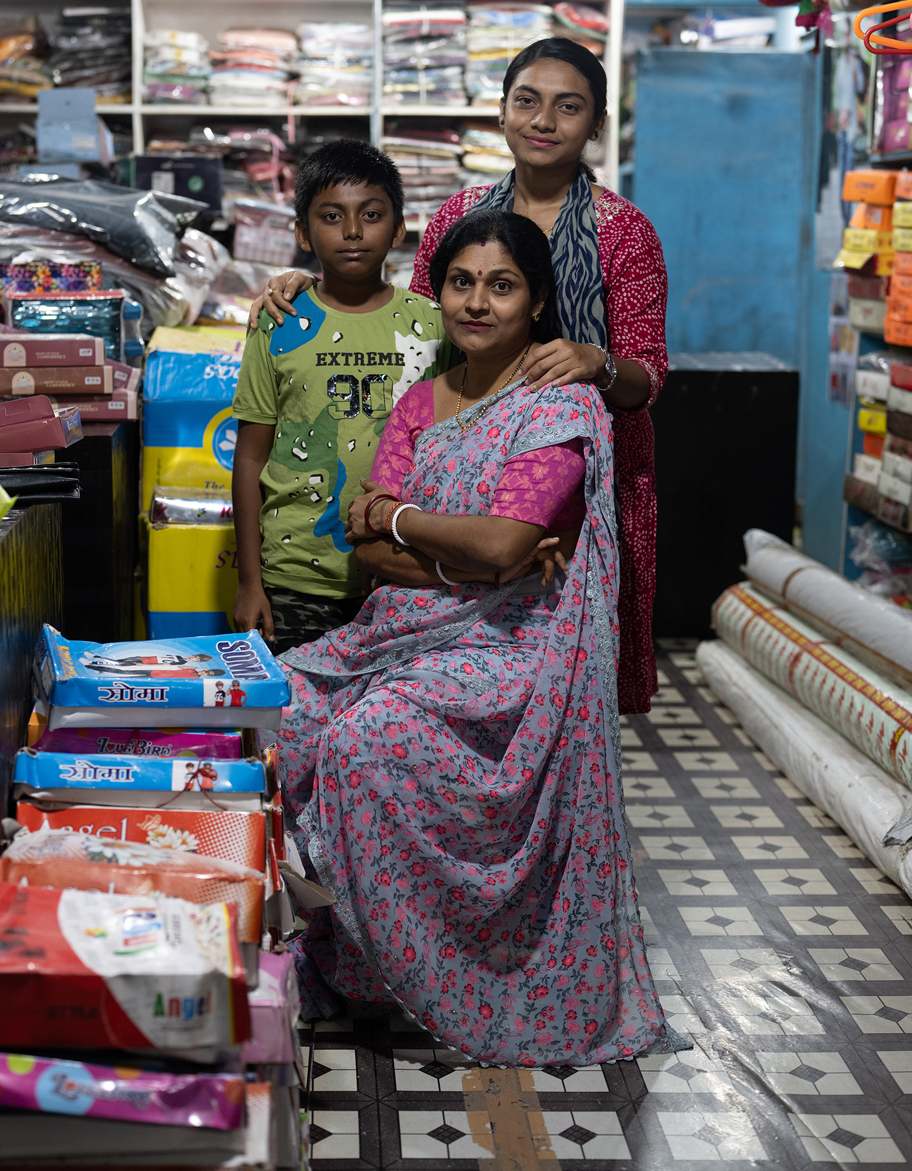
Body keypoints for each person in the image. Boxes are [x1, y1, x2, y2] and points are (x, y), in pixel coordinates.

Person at [275, 210, 675, 1067]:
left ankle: (441, 968)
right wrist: (461, 557)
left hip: (514, 648)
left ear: (536, 305)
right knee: (287, 705)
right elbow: (379, 550)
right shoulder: (421, 403)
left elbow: (494, 540)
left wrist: (411, 521)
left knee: (366, 739)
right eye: (463, 282)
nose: (479, 302)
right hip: (404, 629)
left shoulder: (560, 404)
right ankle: (353, 968)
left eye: (503, 286)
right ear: (440, 291)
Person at [251, 39, 668, 714]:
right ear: (500, 114)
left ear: (596, 124)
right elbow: (417, 323)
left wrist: (596, 362)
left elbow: (650, 377)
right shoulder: (459, 215)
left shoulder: (625, 233)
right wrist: (314, 286)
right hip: (462, 459)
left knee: (567, 677)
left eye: (569, 107)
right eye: (526, 101)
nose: (543, 120)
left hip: (581, 471)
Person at [231, 140, 450, 654]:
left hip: (406, 570)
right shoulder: (279, 322)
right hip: (293, 577)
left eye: (371, 215)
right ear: (303, 234)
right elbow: (249, 457)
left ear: (398, 227)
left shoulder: (435, 324)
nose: (353, 231)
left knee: (385, 726)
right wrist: (249, 582)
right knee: (287, 727)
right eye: (332, 216)